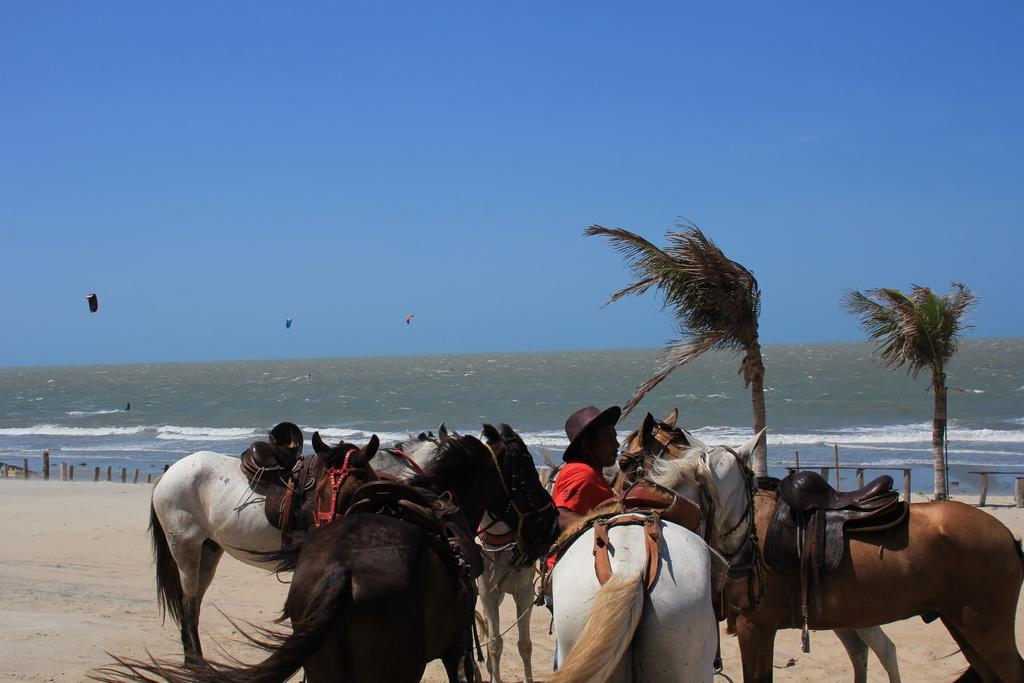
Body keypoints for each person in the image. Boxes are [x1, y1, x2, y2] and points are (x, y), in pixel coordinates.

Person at [551, 404, 620, 532]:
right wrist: (600, 527)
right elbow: (562, 517)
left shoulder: (591, 472)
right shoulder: (581, 473)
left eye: (615, 437)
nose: (617, 444)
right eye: (609, 438)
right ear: (587, 445)